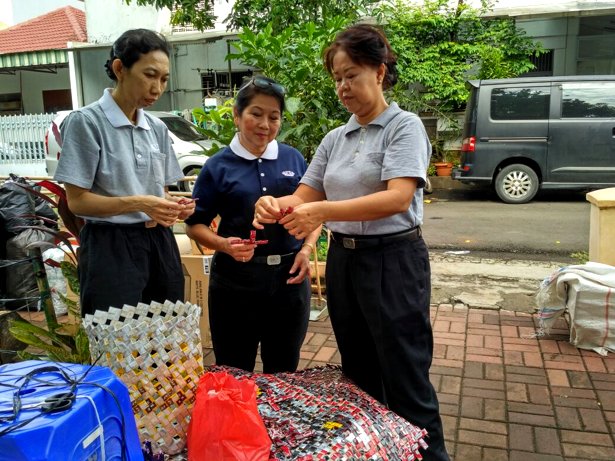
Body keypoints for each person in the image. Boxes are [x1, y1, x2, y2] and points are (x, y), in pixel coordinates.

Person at [254, 25, 449, 460]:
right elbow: (306, 194)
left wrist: (322, 213)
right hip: (345, 261)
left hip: (393, 261)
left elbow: (398, 197)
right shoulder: (335, 138)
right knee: (359, 374)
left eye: (352, 75)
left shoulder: (403, 127)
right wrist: (273, 204)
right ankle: (376, 451)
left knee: (405, 376)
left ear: (379, 73)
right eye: (337, 77)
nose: (343, 87)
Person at [54, 29, 195, 317]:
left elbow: (160, 191)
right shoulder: (86, 123)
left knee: (166, 336)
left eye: (164, 79)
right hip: (110, 245)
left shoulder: (156, 128)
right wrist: (141, 203)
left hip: (159, 243)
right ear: (120, 68)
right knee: (114, 338)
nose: (157, 88)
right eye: (150, 75)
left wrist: (173, 206)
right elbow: (77, 202)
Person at [185, 76, 320, 374]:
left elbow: (313, 213)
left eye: (274, 117)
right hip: (235, 282)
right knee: (234, 369)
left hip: (289, 280)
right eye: (256, 114)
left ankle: (276, 422)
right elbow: (195, 225)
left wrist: (306, 249)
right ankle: (239, 421)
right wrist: (223, 245)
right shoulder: (218, 166)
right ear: (237, 115)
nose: (265, 124)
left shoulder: (293, 159)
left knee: (284, 369)